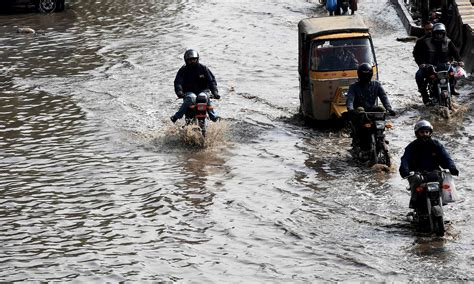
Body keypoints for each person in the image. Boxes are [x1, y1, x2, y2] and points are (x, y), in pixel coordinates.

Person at [399, 120, 459, 207]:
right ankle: (414, 201)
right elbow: (405, 159)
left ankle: (441, 199)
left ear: (430, 132)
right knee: (416, 179)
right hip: (417, 172)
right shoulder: (412, 146)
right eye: (422, 132)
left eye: (427, 132)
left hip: (434, 171)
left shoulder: (436, 145)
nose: (425, 134)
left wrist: (452, 167)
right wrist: (404, 170)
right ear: (417, 133)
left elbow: (446, 157)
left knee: (442, 177)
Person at [346, 63, 396, 150]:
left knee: (380, 109)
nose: (365, 77)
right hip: (360, 113)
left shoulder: (377, 85)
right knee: (360, 110)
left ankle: (381, 135)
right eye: (363, 75)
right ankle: (361, 141)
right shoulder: (353, 87)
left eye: (367, 75)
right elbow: (350, 99)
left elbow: (384, 97)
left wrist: (389, 109)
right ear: (359, 75)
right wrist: (350, 109)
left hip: (372, 111)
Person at [413, 23, 464, 105]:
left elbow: (455, 52)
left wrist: (459, 60)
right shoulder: (424, 42)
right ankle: (424, 93)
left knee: (453, 73)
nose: (439, 36)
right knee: (419, 75)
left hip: (444, 65)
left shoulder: (448, 41)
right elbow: (417, 54)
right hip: (430, 66)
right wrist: (421, 63)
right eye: (437, 34)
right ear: (434, 34)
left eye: (441, 34)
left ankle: (452, 88)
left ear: (444, 33)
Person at [170, 49, 220, 123]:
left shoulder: (203, 68)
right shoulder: (183, 70)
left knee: (203, 97)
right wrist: (179, 92)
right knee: (191, 97)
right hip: (189, 92)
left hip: (203, 91)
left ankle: (213, 116)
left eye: (194, 59)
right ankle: (177, 116)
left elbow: (211, 81)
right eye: (190, 60)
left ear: (197, 59)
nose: (192, 61)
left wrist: (215, 92)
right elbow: (178, 82)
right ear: (186, 60)